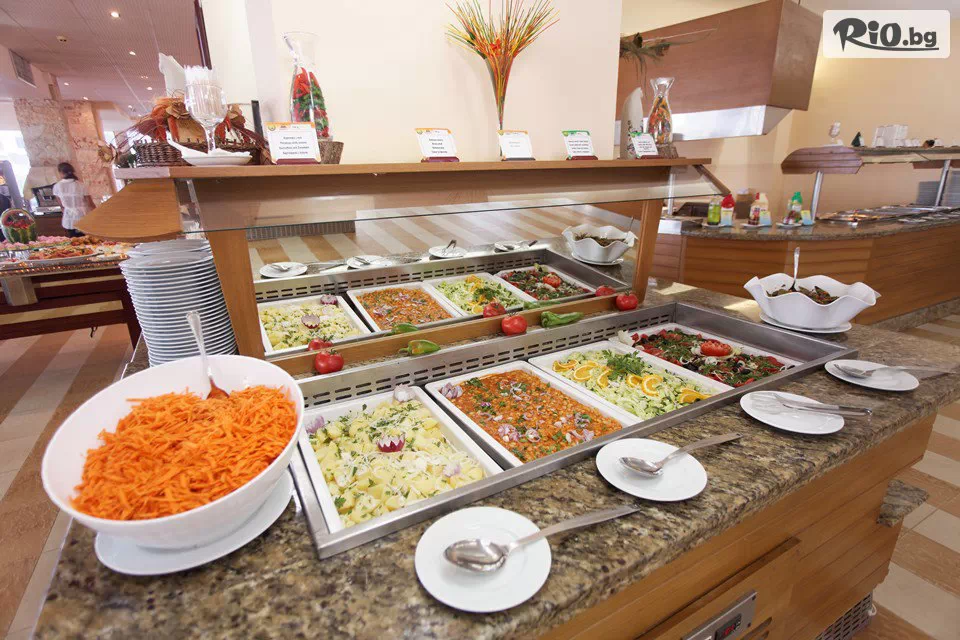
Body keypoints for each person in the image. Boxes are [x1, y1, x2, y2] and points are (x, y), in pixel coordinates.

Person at [52, 162, 96, 237]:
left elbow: (61, 206)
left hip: (68, 217)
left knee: (73, 239)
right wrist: (97, 214)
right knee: (85, 238)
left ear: (61, 172)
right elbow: (90, 204)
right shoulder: (81, 185)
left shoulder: (57, 186)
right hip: (81, 215)